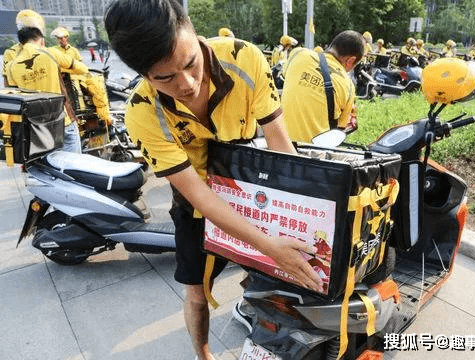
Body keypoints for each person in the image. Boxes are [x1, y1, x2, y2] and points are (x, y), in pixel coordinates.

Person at [104, 1, 322, 359]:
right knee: (195, 291)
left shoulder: (245, 59)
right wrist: (269, 246)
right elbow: (199, 196)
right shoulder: (142, 112)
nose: (187, 84)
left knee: (271, 276)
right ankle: (202, 353)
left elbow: (281, 146)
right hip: (197, 203)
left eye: (191, 64)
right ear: (144, 75)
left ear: (193, 31)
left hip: (254, 192)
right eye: (166, 78)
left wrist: (305, 213)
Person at [6, 9, 89, 154]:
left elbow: (12, 93)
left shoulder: (12, 66)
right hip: (63, 122)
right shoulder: (51, 53)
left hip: (38, 127)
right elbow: (82, 68)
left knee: (50, 168)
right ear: (41, 35)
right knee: (74, 168)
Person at [281, 30, 364, 143]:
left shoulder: (297, 54)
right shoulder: (348, 86)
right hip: (312, 154)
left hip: (278, 146)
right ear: (350, 60)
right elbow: (339, 131)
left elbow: (284, 76)